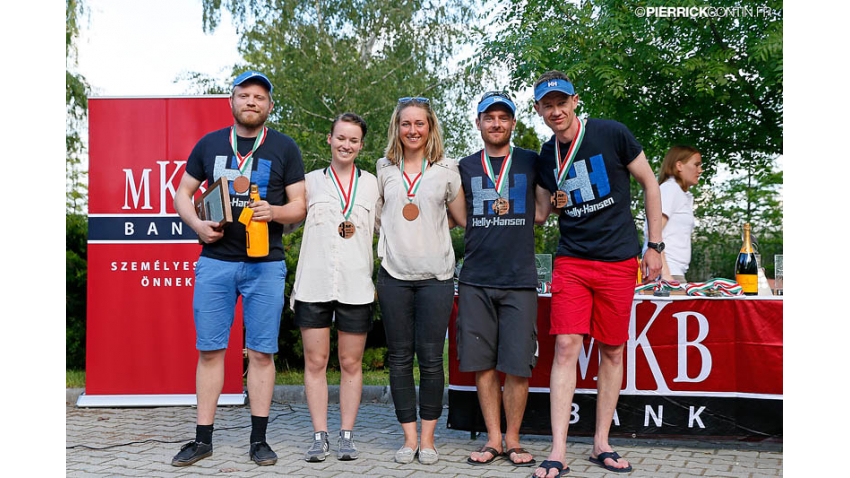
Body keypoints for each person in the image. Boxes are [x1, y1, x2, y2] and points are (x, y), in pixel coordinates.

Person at [531, 70, 663, 478]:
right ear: (539, 111)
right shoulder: (544, 155)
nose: (556, 111)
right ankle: (557, 451)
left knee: (611, 350)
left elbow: (650, 183)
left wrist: (654, 246)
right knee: (567, 345)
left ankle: (601, 443)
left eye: (561, 102)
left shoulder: (611, 133)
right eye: (547, 106)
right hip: (572, 260)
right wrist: (544, 202)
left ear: (575, 101)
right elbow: (540, 214)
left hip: (619, 260)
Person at [171, 70, 306, 467]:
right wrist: (197, 225)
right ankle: (202, 440)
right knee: (211, 350)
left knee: (262, 353)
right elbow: (182, 193)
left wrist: (275, 210)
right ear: (231, 101)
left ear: (270, 106)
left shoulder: (285, 147)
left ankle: (259, 441)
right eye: (244, 95)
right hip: (216, 262)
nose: (251, 101)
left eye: (259, 97)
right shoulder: (210, 144)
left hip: (266, 266)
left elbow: (299, 205)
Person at [455, 91, 551, 468]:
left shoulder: (530, 161)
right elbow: (460, 217)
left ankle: (513, 439)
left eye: (503, 117)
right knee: (483, 365)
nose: (496, 123)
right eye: (489, 117)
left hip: (519, 278)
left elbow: (542, 213)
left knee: (516, 364)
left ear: (513, 123)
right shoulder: (464, 166)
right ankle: (493, 439)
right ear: (478, 123)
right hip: (477, 277)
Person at [375, 96, 466, 465]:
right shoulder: (384, 167)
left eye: (420, 124)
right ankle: (408, 438)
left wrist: (429, 232)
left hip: (437, 278)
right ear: (397, 127)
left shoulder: (448, 169)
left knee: (430, 359)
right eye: (406, 123)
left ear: (430, 128)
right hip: (393, 276)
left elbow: (460, 217)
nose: (413, 130)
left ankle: (428, 440)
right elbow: (378, 216)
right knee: (399, 359)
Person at [290, 113, 379, 463]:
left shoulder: (372, 184)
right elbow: (286, 221)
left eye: (354, 140)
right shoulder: (308, 182)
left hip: (356, 286)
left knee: (350, 362)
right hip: (313, 284)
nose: (346, 145)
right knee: (315, 362)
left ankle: (346, 436)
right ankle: (319, 436)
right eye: (341, 137)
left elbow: (391, 226)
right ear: (329, 139)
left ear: (361, 145)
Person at [643, 145, 702, 283]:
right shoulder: (670, 189)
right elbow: (652, 232)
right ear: (679, 165)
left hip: (674, 272)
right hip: (666, 273)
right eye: (696, 165)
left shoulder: (681, 194)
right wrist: (666, 274)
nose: (700, 170)